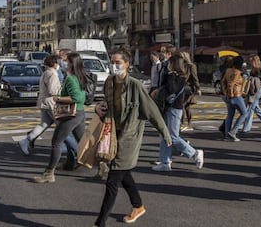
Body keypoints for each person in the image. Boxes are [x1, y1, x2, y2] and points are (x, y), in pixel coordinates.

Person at [93, 46, 172, 227]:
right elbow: (106, 104)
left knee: (112, 181)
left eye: (117, 62)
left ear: (127, 64)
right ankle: (138, 206)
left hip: (129, 137)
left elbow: (152, 111)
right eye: (111, 62)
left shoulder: (135, 86)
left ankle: (100, 223)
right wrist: (98, 108)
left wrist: (165, 134)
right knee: (124, 173)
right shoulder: (109, 82)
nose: (113, 66)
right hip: (112, 135)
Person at [33, 52, 87, 183]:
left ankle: (49, 173)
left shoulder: (70, 78)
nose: (62, 63)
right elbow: (82, 98)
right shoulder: (80, 76)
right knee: (82, 142)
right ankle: (101, 165)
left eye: (65, 61)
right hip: (80, 112)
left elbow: (76, 98)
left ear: (70, 63)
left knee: (56, 142)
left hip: (71, 115)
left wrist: (57, 98)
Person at [151, 53, 204, 172]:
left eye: (170, 63)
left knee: (173, 137)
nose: (168, 65)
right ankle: (165, 162)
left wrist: (170, 76)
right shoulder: (170, 75)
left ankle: (195, 153)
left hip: (175, 108)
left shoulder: (179, 77)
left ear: (174, 64)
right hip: (167, 107)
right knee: (165, 135)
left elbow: (172, 89)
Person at [242, 55, 261, 133]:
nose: (249, 61)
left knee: (250, 108)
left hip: (255, 90)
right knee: (256, 108)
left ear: (254, 61)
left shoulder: (256, 70)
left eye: (251, 60)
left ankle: (246, 128)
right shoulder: (257, 69)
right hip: (256, 90)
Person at [222, 56, 248, 141]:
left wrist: (226, 92)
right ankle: (233, 132)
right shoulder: (237, 72)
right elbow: (231, 84)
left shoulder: (228, 70)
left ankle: (227, 135)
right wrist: (232, 94)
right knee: (244, 113)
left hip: (228, 96)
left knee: (230, 115)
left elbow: (223, 82)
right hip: (236, 95)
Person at [179, 51, 201, 131]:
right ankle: (187, 122)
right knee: (186, 106)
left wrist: (198, 88)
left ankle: (184, 123)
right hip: (182, 87)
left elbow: (195, 78)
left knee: (182, 105)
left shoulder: (191, 66)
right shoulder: (180, 65)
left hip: (188, 88)